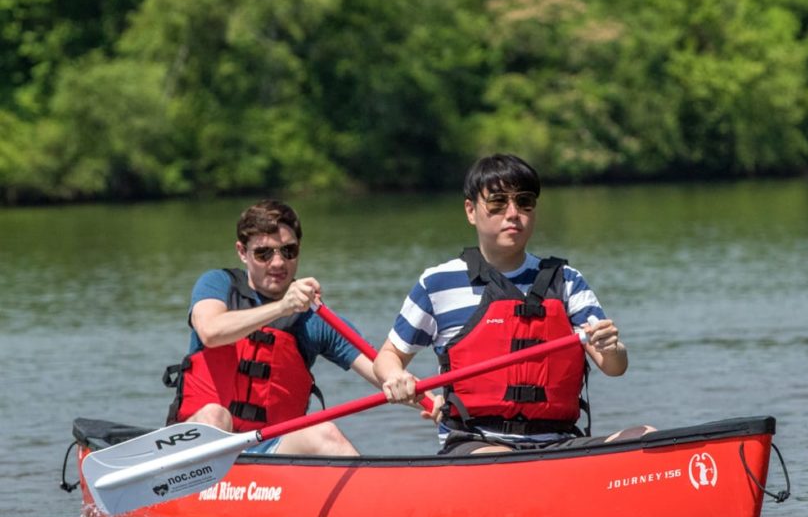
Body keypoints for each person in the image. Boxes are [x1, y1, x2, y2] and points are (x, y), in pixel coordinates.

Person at [373, 153, 654, 455]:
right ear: (471, 210)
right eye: (497, 202)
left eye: (524, 202)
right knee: (501, 459)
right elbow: (388, 356)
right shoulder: (438, 283)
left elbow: (614, 367)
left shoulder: (567, 281)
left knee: (648, 437)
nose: (513, 213)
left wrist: (612, 348)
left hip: (560, 444)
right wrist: (395, 376)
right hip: (478, 444)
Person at [163, 199, 379, 456]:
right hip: (200, 447)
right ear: (242, 252)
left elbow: (382, 370)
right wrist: (282, 307)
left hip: (269, 452)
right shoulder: (218, 284)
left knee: (327, 433)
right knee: (215, 415)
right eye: (264, 253)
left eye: (288, 251)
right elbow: (211, 332)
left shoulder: (314, 317)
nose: (278, 263)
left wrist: (433, 403)